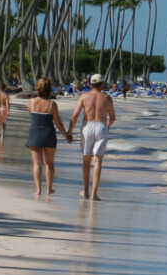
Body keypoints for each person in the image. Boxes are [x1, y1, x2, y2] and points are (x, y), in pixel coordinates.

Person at [67, 73, 117, 201]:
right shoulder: (107, 98)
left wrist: (70, 131)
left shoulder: (84, 96)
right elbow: (112, 117)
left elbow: (74, 116)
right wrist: (107, 126)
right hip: (101, 125)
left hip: (87, 126)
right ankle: (94, 193)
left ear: (90, 84)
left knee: (86, 159)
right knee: (98, 160)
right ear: (102, 84)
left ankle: (85, 190)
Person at [25, 77, 71, 197]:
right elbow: (58, 122)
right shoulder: (52, 104)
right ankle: (49, 189)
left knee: (36, 163)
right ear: (50, 88)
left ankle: (38, 190)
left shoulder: (31, 102)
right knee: (49, 164)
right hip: (49, 135)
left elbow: (30, 113)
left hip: (35, 134)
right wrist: (66, 136)